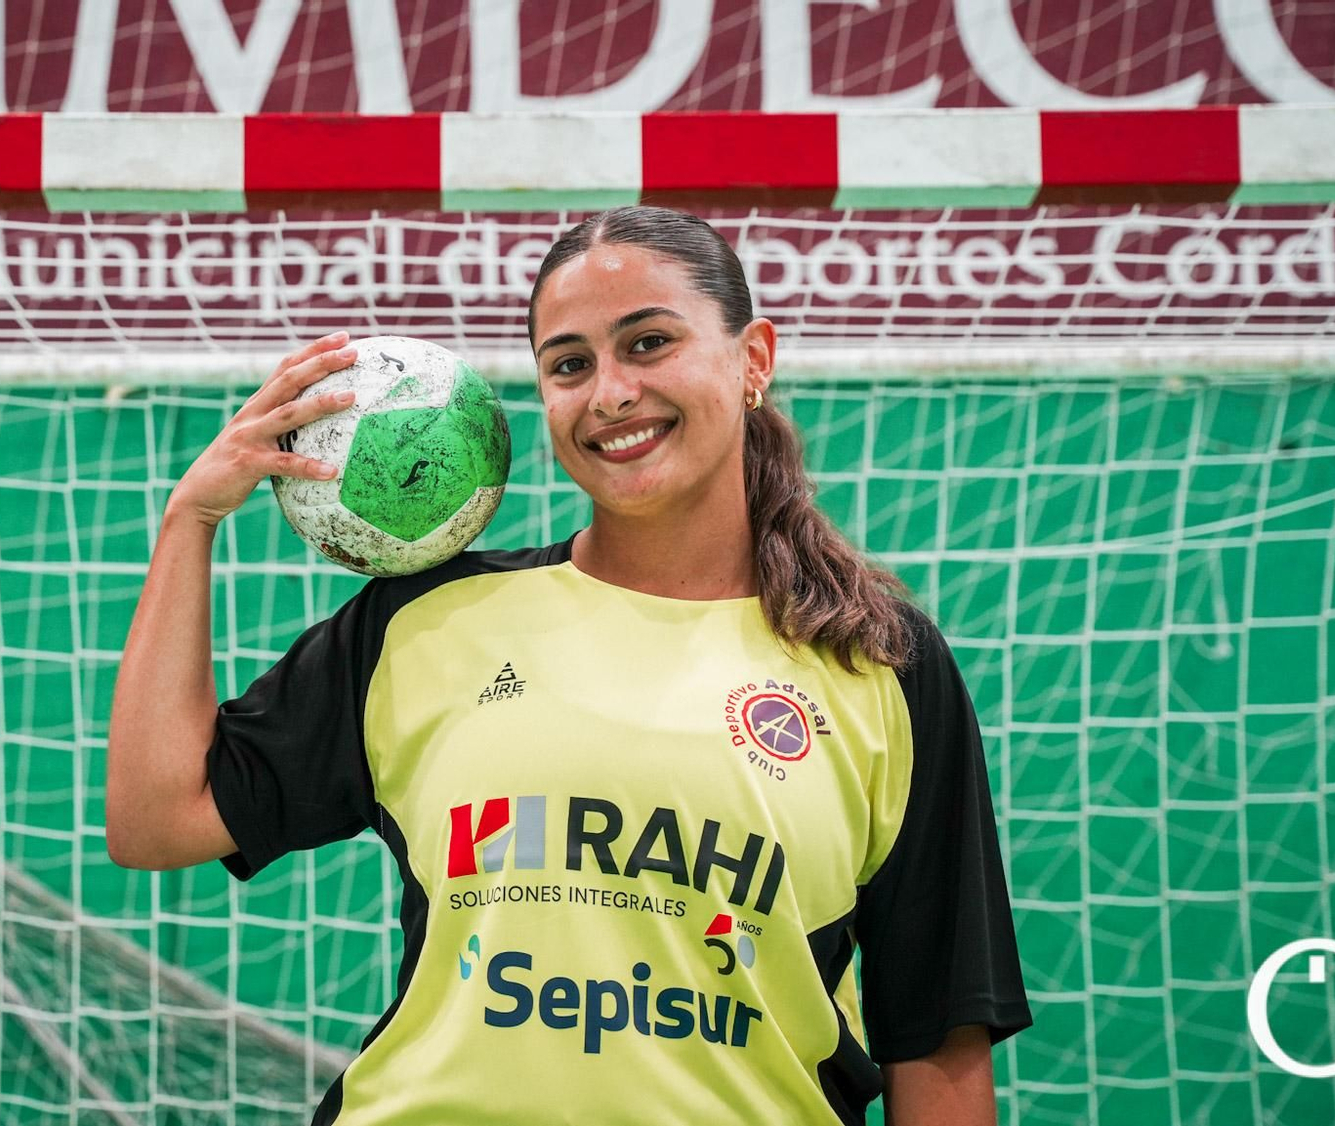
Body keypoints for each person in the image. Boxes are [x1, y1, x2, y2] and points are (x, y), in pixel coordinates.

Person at [106, 205, 1032, 1125]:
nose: (610, 394)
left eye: (649, 343)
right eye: (569, 365)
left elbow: (938, 1037)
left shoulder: (881, 663)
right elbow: (154, 820)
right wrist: (191, 518)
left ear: (753, 360)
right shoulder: (425, 623)